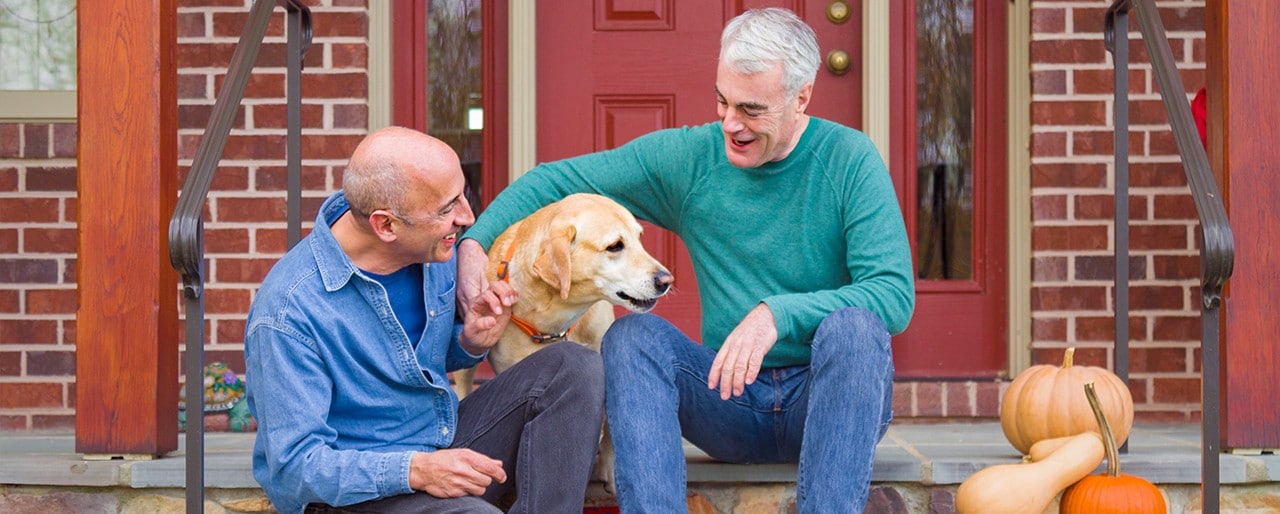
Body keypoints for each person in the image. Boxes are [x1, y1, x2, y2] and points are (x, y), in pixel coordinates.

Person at [457, 7, 914, 513]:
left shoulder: (850, 159)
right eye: (722, 101)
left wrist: (775, 315)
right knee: (631, 337)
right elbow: (554, 182)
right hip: (727, 398)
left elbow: (892, 294)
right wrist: (475, 245)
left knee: (855, 329)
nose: (731, 124)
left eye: (752, 109)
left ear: (801, 97)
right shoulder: (692, 159)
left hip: (826, 403)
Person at [244, 126, 605, 514]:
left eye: (462, 196)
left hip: (438, 441)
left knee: (572, 366)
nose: (467, 218)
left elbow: (407, 358)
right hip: (356, 495)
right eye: (447, 209)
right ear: (386, 226)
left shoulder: (428, 253)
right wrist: (415, 471)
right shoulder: (288, 312)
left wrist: (469, 342)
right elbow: (293, 466)